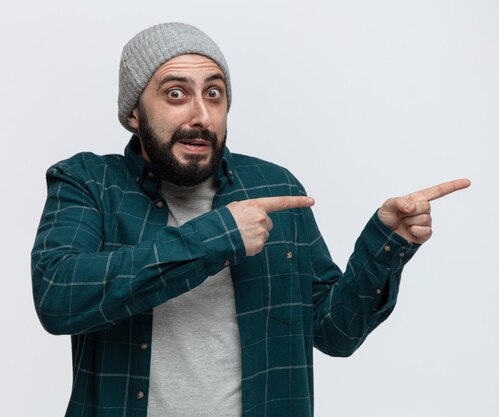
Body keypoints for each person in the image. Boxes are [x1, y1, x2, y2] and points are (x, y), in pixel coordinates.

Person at [31, 22, 470, 417]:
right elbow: (58, 295)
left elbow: (334, 333)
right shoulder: (88, 181)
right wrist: (218, 236)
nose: (200, 116)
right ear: (134, 113)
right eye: (176, 94)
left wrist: (385, 244)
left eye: (214, 93)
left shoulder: (274, 187)